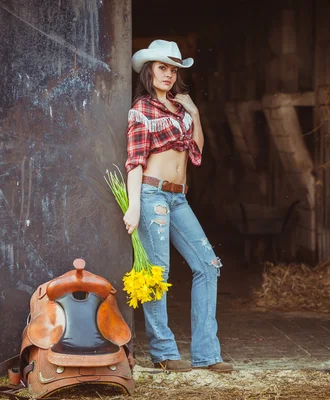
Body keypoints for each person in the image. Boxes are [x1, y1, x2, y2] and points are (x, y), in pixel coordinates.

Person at [123, 40, 232, 373]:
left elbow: (196, 151)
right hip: (152, 195)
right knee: (159, 273)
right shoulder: (141, 110)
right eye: (162, 68)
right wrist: (134, 206)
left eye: (173, 69)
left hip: (179, 197)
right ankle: (164, 352)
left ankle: (206, 354)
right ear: (149, 71)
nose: (168, 75)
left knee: (208, 265)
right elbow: (135, 162)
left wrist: (196, 113)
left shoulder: (183, 110)